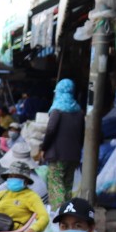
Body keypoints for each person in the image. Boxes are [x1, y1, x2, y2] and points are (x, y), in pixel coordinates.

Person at [38, 78, 85, 208]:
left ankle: (59, 214)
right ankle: (68, 211)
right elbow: (81, 135)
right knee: (68, 184)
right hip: (74, 155)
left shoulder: (57, 110)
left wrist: (44, 148)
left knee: (56, 184)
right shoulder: (79, 112)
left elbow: (51, 130)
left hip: (57, 155)